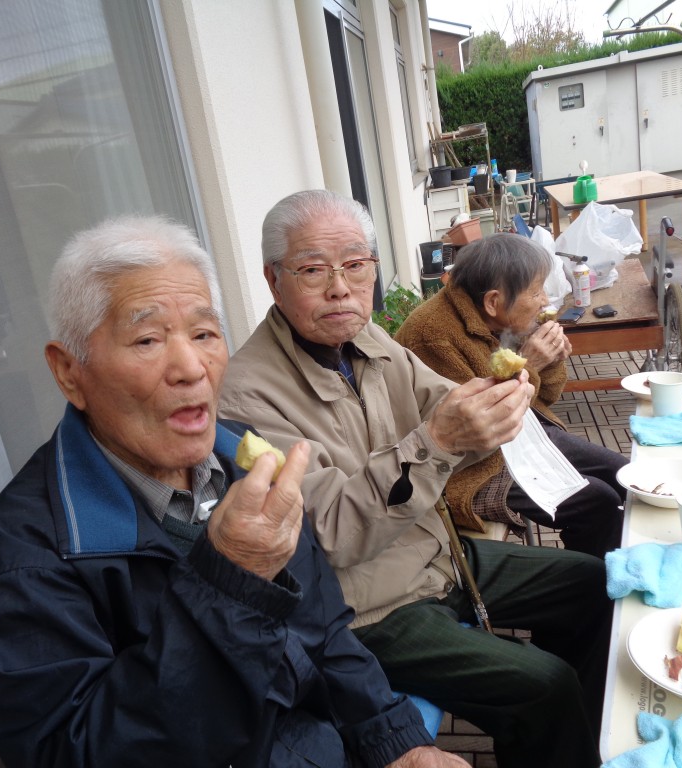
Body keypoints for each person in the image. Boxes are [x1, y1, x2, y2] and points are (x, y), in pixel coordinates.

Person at [0, 215, 467, 768]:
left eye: (204, 334)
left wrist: (399, 744)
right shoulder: (27, 549)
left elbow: (323, 632)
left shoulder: (243, 464)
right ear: (69, 372)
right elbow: (70, 750)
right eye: (148, 339)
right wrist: (229, 582)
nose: (191, 367)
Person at [219, 190, 613, 768]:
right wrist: (438, 442)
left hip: (439, 556)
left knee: (594, 586)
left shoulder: (366, 338)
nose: (340, 287)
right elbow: (330, 533)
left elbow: (443, 398)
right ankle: (552, 723)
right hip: (371, 609)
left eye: (356, 265)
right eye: (312, 270)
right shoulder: (247, 393)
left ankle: (567, 739)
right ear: (273, 279)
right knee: (544, 685)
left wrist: (501, 394)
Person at [395, 233, 627, 559]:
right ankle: (594, 585)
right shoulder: (432, 337)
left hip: (520, 432)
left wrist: (551, 358)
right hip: (469, 466)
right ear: (493, 301)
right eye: (536, 291)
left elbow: (546, 394)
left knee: (623, 474)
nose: (546, 300)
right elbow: (482, 426)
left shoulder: (496, 317)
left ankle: (613, 562)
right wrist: (531, 363)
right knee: (598, 502)